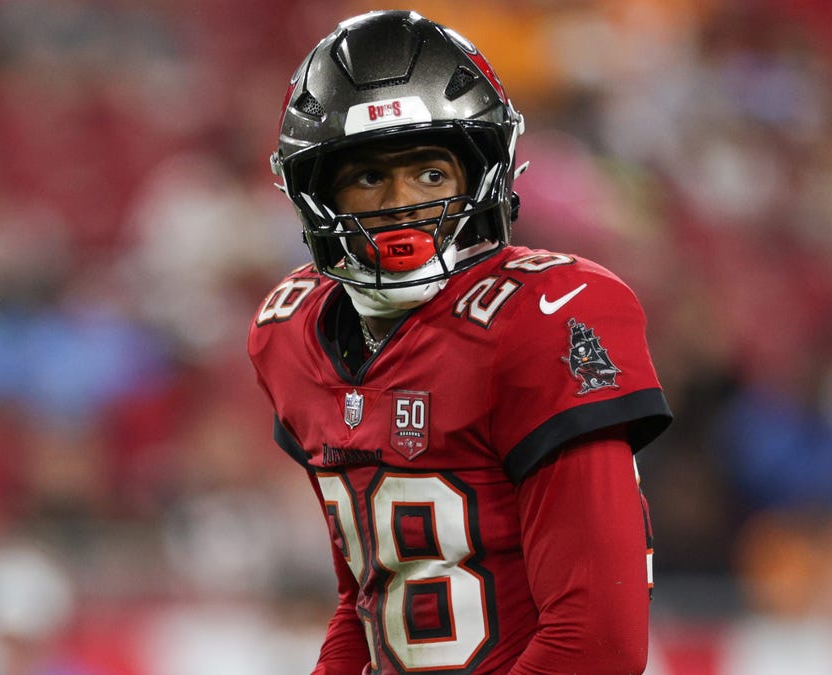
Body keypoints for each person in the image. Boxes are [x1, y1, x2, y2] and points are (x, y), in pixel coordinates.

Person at [248, 10, 671, 674]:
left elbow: (599, 645)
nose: (402, 204)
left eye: (430, 173)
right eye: (367, 178)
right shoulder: (292, 332)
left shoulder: (541, 315)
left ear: (481, 176)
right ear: (316, 194)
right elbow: (369, 600)